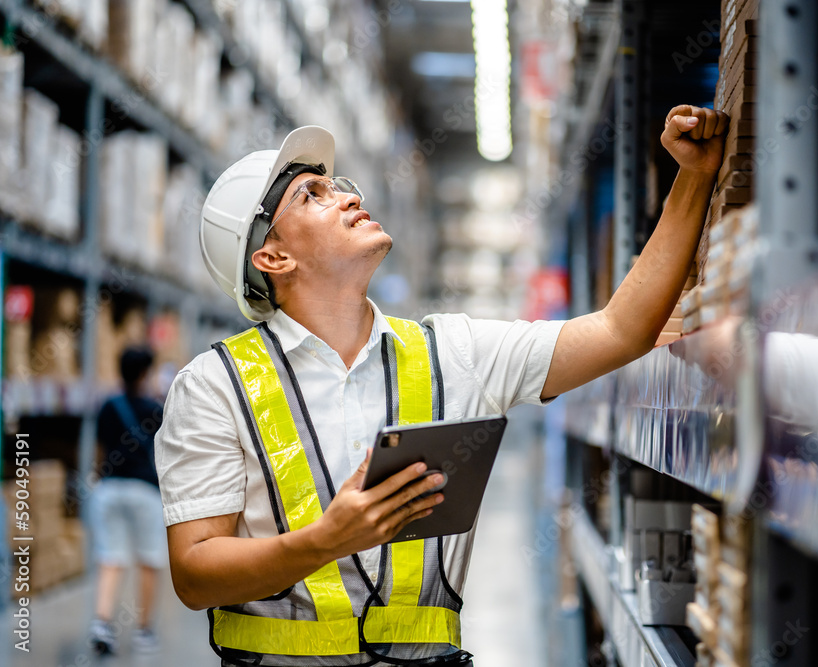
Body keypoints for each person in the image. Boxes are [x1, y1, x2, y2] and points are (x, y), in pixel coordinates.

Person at [155, 104, 728, 666]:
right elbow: (194, 572)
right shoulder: (214, 386)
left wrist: (693, 176)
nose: (350, 197)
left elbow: (618, 330)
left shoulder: (451, 353)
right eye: (312, 195)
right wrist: (324, 540)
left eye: (339, 184)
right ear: (273, 257)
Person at [88, 346, 166, 655]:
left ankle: (102, 623)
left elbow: (98, 452)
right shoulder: (155, 409)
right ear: (145, 373)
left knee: (111, 558)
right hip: (144, 491)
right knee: (149, 560)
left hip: (109, 489)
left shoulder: (107, 406)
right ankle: (144, 631)